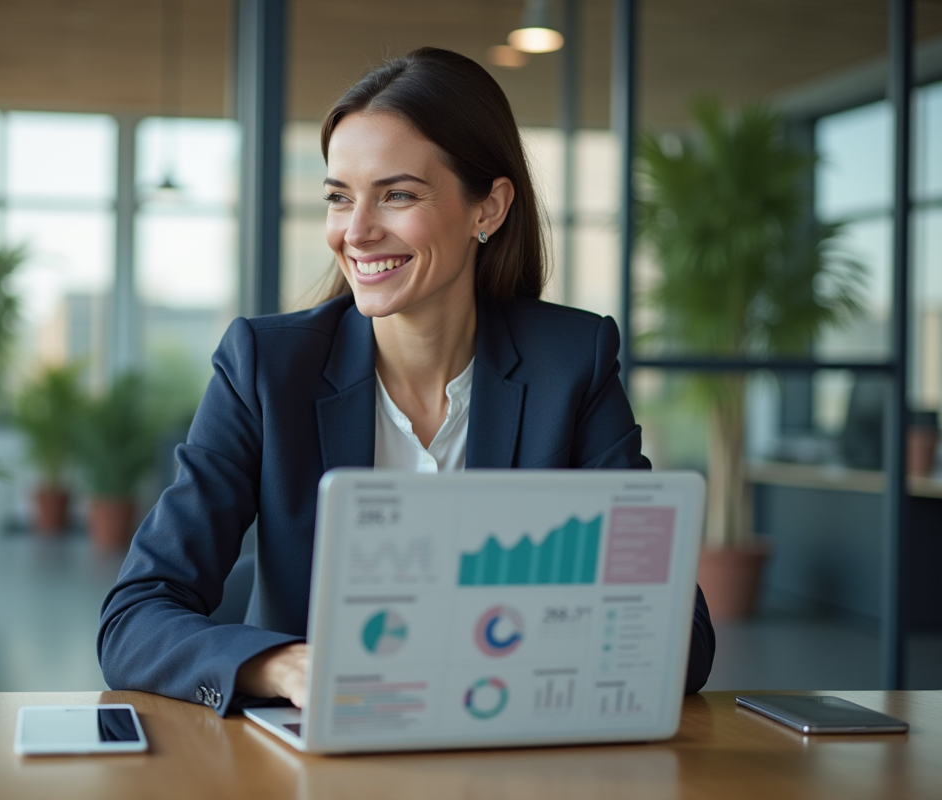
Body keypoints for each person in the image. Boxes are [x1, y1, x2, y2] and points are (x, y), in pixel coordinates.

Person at [99, 47, 715, 715]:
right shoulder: (265, 367)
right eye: (339, 198)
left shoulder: (573, 362)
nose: (356, 232)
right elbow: (134, 618)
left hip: (510, 747)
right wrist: (280, 665)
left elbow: (679, 634)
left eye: (396, 195)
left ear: (489, 208)